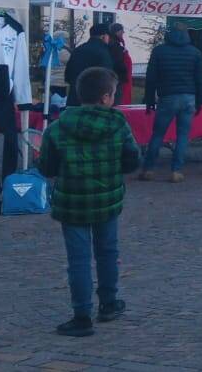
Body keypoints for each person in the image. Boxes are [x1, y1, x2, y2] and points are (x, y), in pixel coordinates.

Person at [36, 66, 140, 337]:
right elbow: (132, 159)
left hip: (72, 202)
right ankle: (108, 302)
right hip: (107, 199)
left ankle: (81, 315)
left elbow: (46, 167)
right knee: (107, 251)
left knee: (78, 260)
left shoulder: (57, 128)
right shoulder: (117, 123)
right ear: (106, 97)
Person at [139, 26, 202, 182]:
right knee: (182, 135)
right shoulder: (195, 52)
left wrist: (149, 100)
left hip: (167, 97)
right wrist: (200, 101)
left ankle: (148, 169)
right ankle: (176, 170)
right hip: (189, 97)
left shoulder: (159, 51)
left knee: (158, 134)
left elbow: (151, 78)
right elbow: (200, 80)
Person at [64, 24, 115, 108]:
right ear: (103, 36)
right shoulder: (104, 52)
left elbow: (68, 75)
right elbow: (107, 77)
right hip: (95, 101)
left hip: (74, 97)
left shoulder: (78, 50)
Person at [107, 23, 133, 105]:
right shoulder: (115, 44)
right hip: (119, 76)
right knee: (118, 98)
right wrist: (124, 69)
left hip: (120, 75)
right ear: (116, 32)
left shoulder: (117, 42)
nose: (123, 33)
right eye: (122, 31)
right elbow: (118, 61)